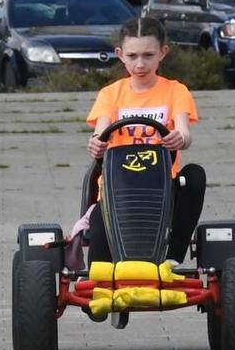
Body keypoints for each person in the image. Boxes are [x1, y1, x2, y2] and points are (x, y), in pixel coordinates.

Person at [82, 14, 203, 271]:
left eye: (148, 55)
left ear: (163, 53)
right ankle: (100, 279)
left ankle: (173, 256)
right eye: (133, 56)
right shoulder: (111, 94)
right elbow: (100, 131)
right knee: (98, 236)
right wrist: (95, 143)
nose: (140, 64)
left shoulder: (175, 90)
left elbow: (184, 131)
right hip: (119, 189)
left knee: (195, 175)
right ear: (120, 54)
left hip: (162, 186)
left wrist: (178, 137)